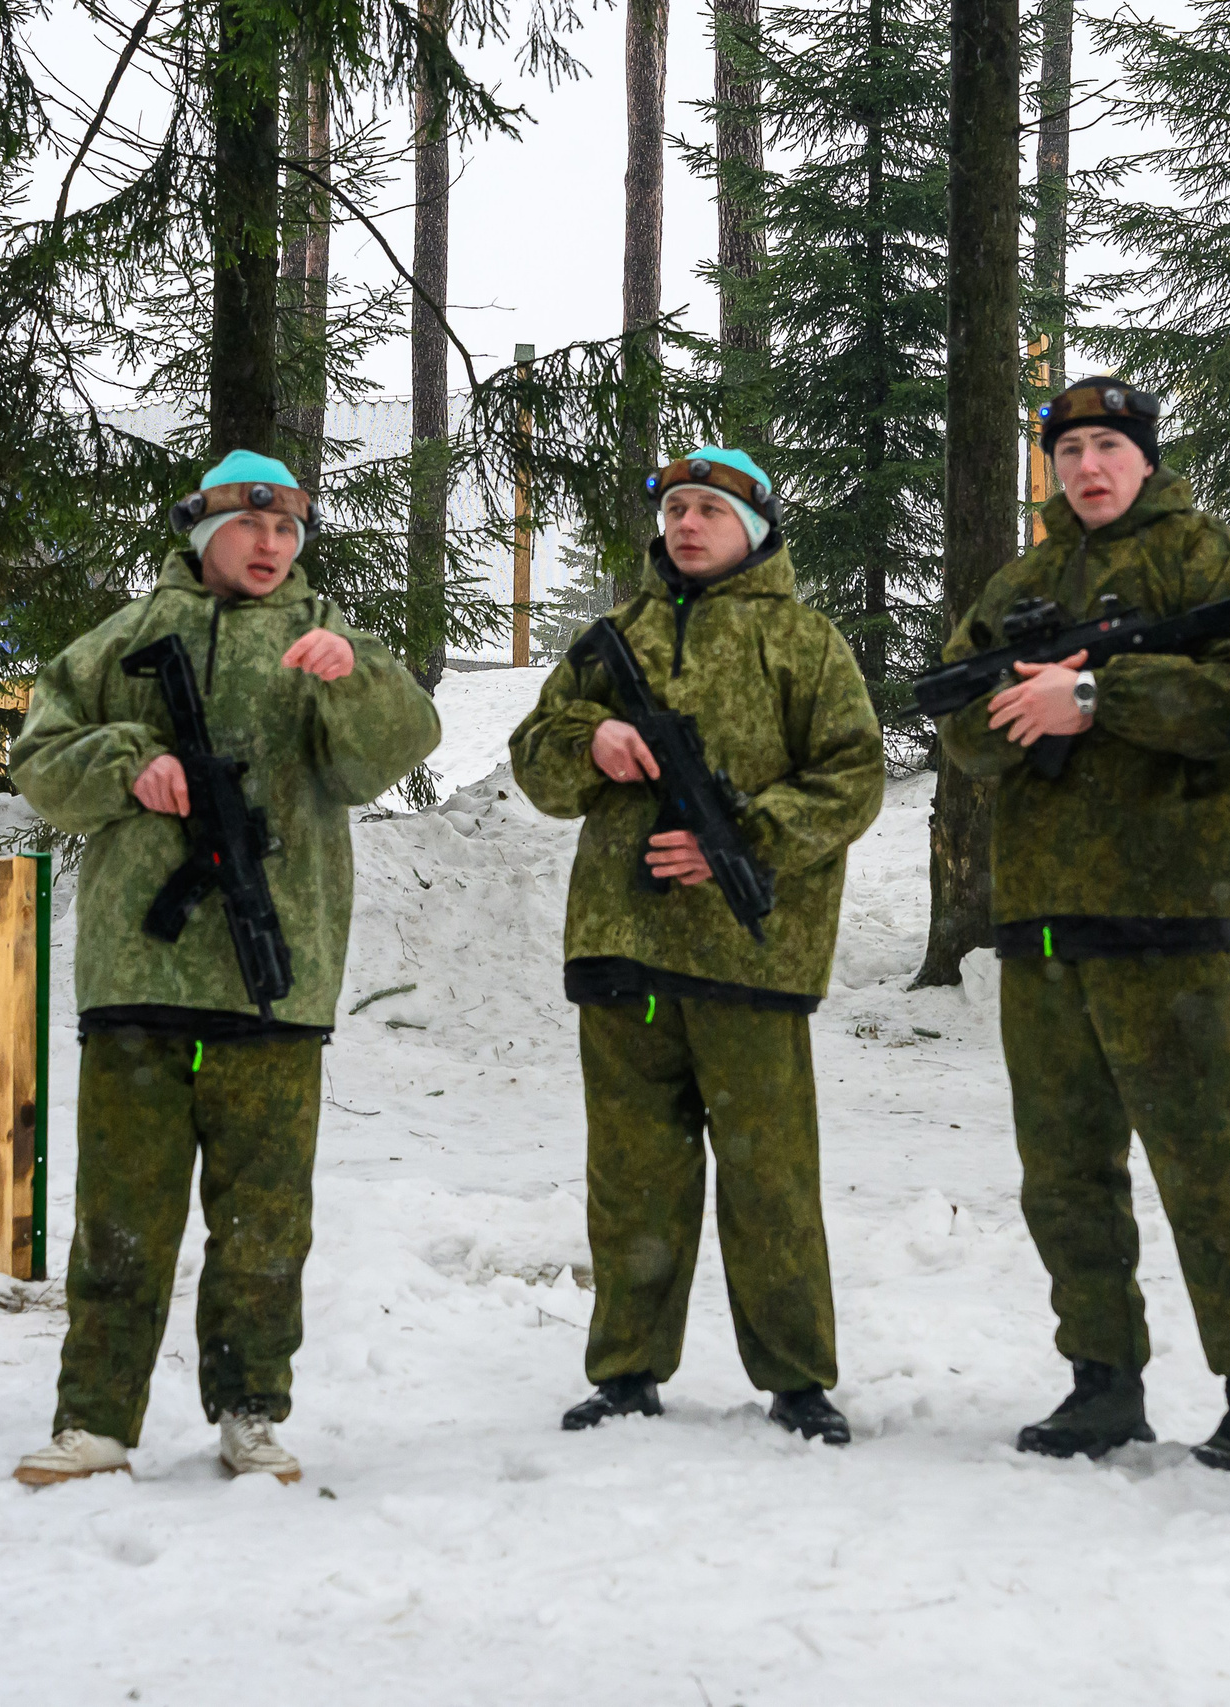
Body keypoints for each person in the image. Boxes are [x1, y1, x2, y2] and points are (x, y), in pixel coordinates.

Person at [6, 451, 441, 1487]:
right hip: (137, 974)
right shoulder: (124, 640)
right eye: (251, 527)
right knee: (121, 1215)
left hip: (274, 978)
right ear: (204, 533)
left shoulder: (323, 639)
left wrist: (361, 682)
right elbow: (38, 755)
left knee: (263, 1224)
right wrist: (127, 764)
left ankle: (252, 1410)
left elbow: (393, 751)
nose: (271, 545)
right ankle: (95, 1421)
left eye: (287, 529)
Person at [936, 378, 1230, 1485]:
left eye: (1107, 448)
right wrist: (1021, 711)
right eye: (1069, 452)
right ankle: (1103, 1379)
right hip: (1044, 913)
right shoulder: (1025, 580)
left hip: (1168, 903)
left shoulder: (1198, 557)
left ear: (1144, 457)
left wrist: (1099, 699)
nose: (1088, 469)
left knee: (1206, 1162)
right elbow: (960, 729)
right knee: (1062, 1169)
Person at [509, 449, 883, 1444]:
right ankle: (626, 1370)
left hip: (749, 959)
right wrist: (588, 742)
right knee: (632, 1177)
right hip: (621, 947)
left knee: (771, 1181)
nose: (686, 524)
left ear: (753, 529)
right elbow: (535, 760)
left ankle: (799, 1381)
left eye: (709, 509)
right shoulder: (611, 640)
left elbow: (854, 778)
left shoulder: (804, 643)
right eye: (674, 507)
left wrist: (742, 844)